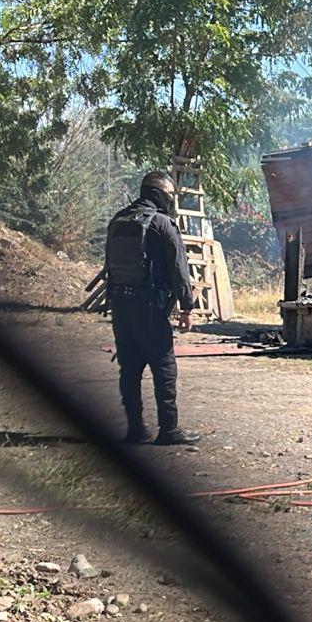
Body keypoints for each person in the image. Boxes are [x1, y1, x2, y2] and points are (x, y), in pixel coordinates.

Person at [102, 171, 201, 446]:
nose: (172, 199)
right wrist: (187, 308)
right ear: (159, 194)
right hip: (148, 308)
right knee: (164, 366)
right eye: (170, 194)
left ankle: (136, 429)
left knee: (130, 368)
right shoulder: (162, 224)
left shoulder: (117, 220)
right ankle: (168, 430)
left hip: (121, 306)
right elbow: (179, 269)